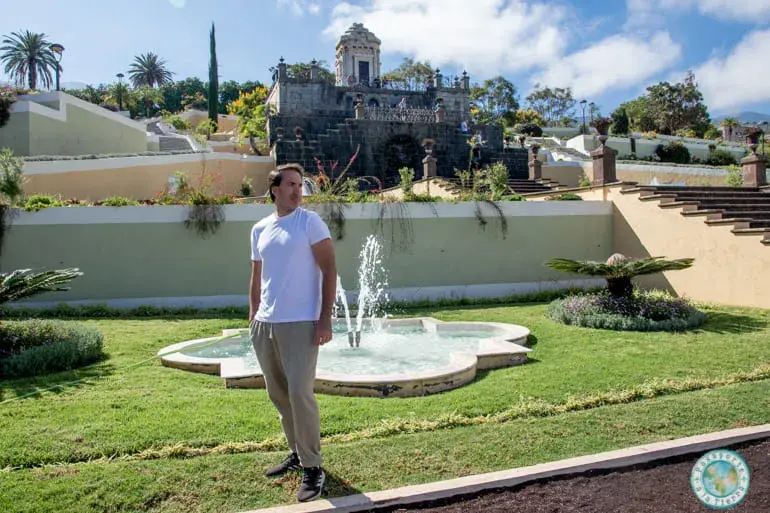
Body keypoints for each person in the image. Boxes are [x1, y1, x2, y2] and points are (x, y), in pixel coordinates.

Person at [249, 163, 337, 503]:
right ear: (274, 189)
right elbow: (257, 276)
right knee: (280, 396)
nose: (297, 191)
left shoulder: (310, 222)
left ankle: (313, 467)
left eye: (300, 185)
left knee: (301, 394)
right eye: (291, 185)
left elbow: (329, 268)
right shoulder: (260, 229)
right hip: (266, 324)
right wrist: (254, 314)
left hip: (301, 322)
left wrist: (324, 319)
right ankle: (297, 454)